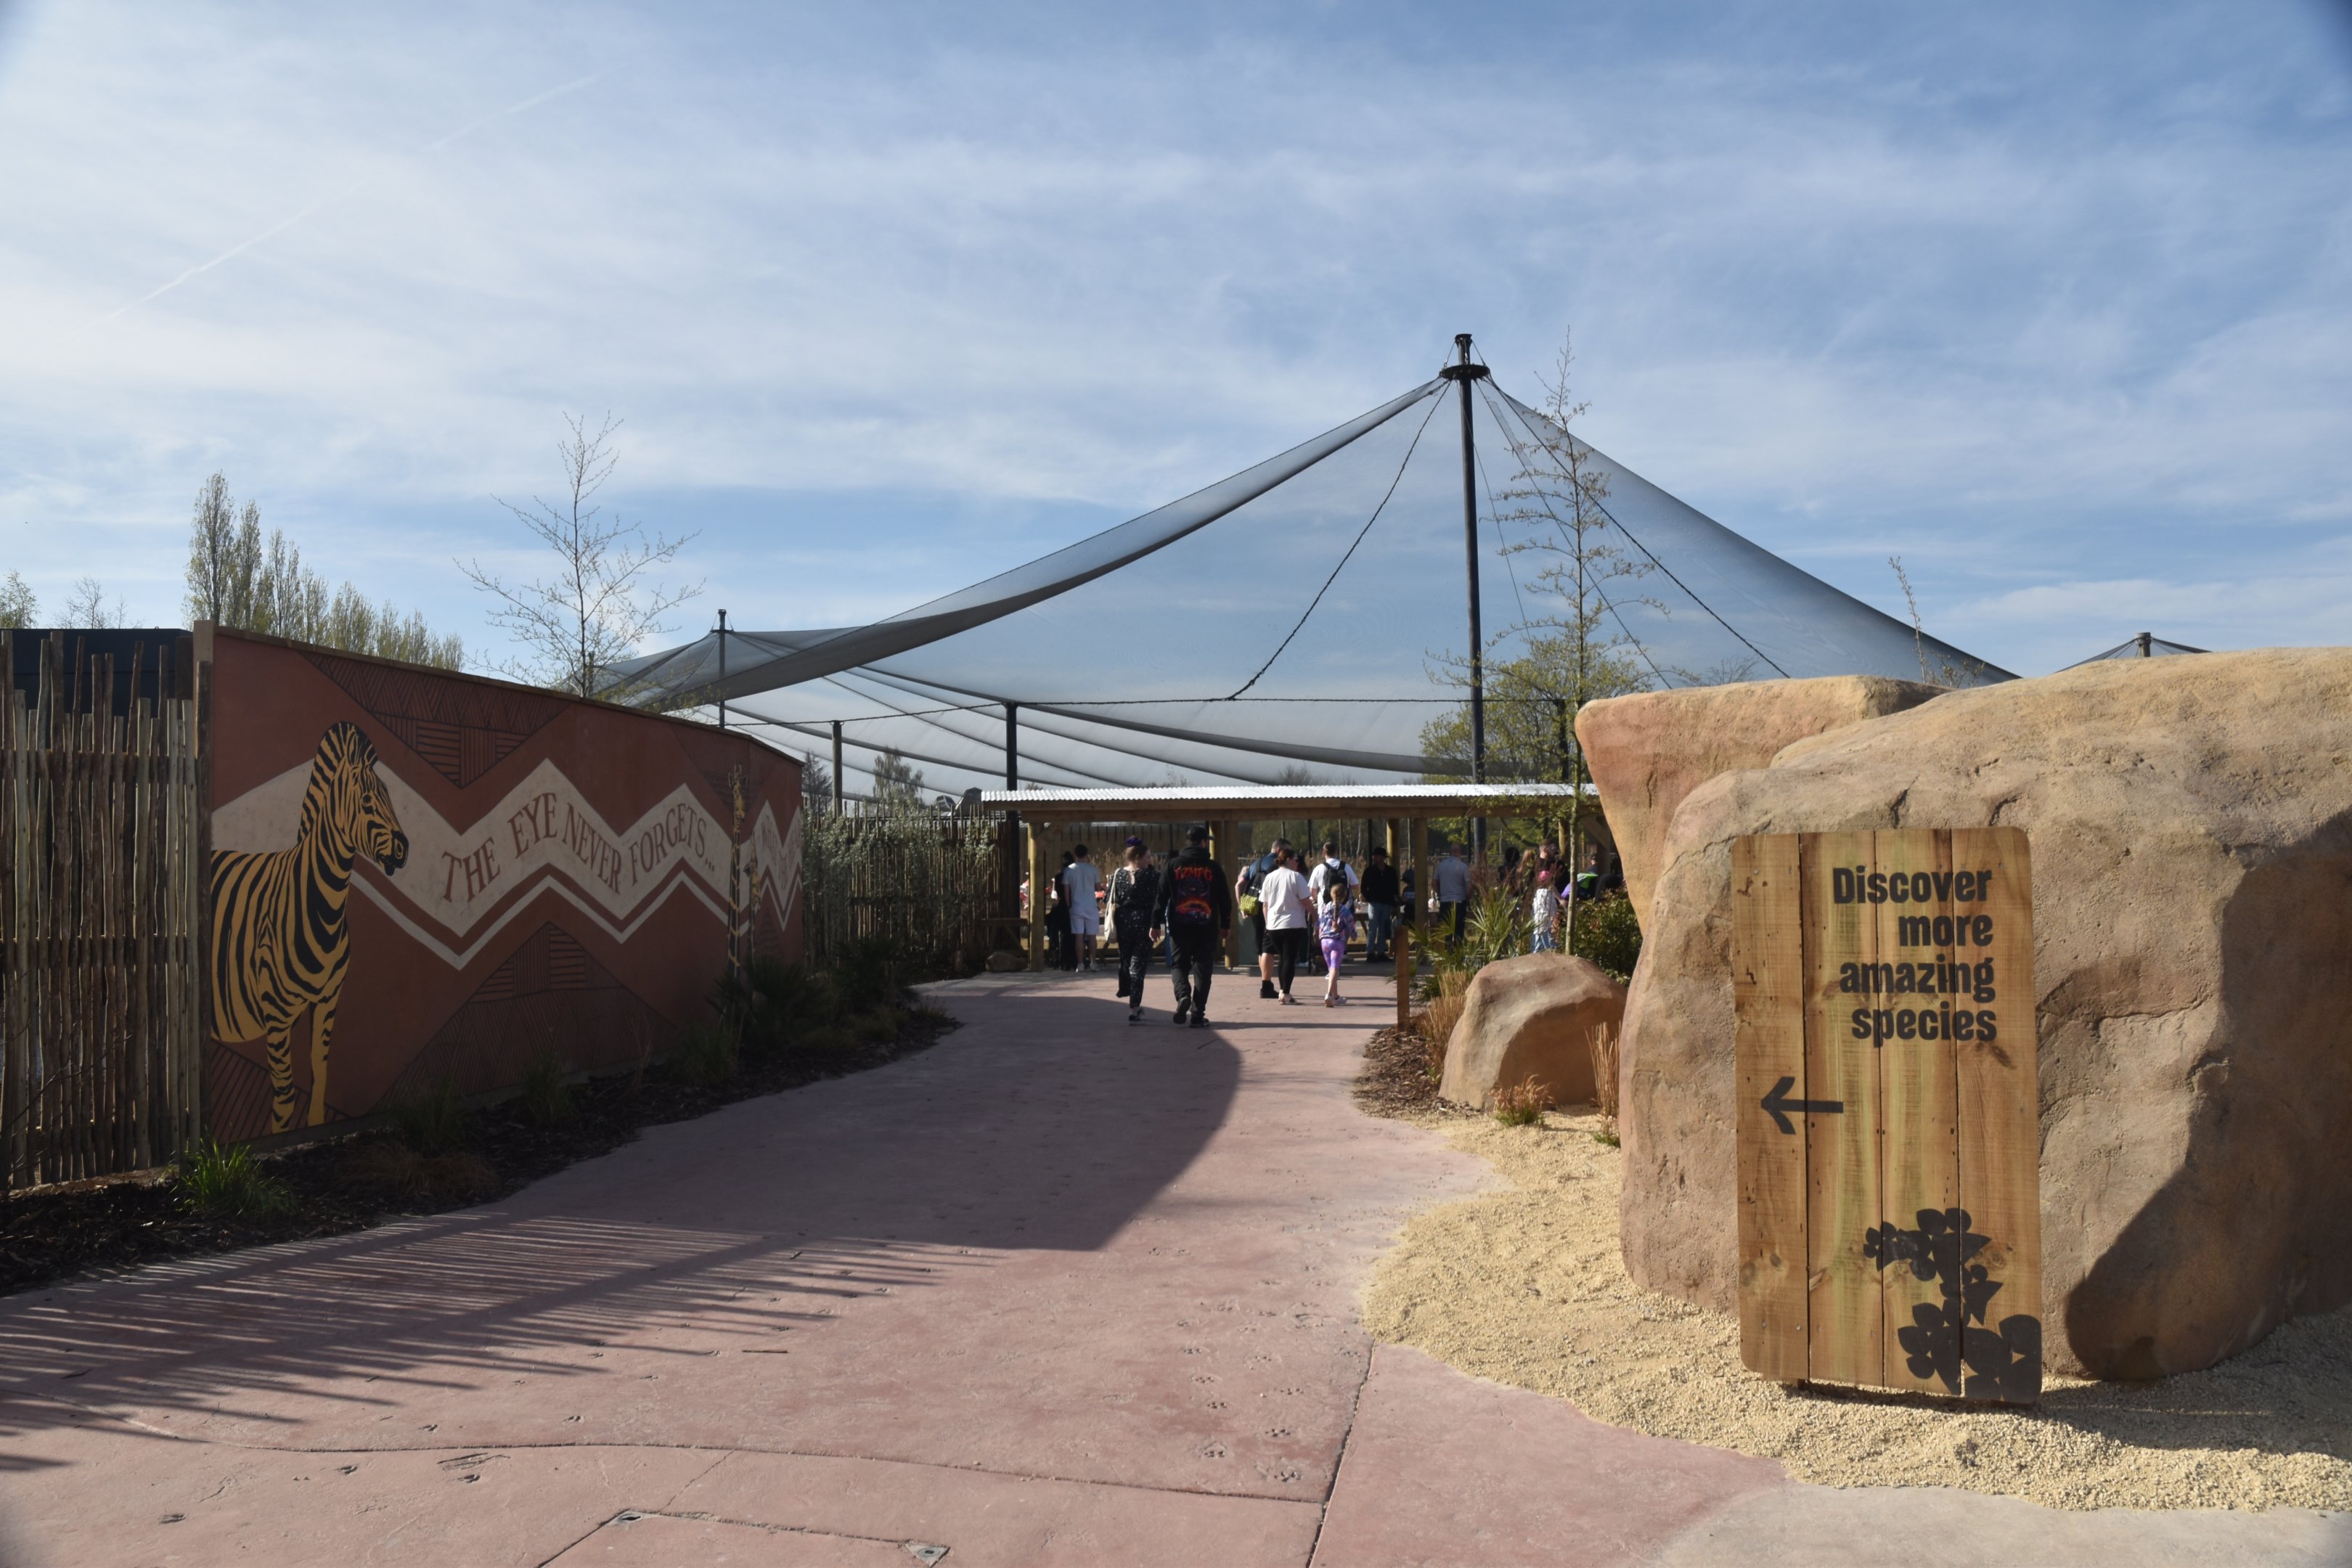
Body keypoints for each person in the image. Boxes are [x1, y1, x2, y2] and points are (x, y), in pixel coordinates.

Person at [1151, 824, 1233, 1029]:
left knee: (1179, 965)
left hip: (1179, 927)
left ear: (1188, 842)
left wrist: (1155, 924)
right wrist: (1226, 924)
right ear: (1204, 842)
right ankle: (1197, 1014)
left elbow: (1161, 897)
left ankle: (1182, 995)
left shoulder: (1172, 865)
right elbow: (1225, 899)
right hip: (1206, 926)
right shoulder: (1213, 868)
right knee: (1203, 968)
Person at [1108, 840, 1161, 1021]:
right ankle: (1134, 1007)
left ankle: (1127, 991)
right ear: (1138, 857)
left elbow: (1108, 898)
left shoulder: (1116, 875)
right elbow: (1158, 901)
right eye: (1147, 857)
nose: (1150, 860)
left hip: (1123, 922)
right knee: (1138, 965)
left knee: (1126, 959)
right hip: (1144, 923)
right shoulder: (1153, 876)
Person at [1237, 836, 1291, 1000]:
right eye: (1287, 851)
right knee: (1269, 948)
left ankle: (1265, 982)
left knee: (1261, 946)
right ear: (1279, 851)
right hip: (1269, 908)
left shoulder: (1256, 863)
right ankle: (1266, 985)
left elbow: (1239, 884)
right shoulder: (1277, 865)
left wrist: (1241, 906)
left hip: (1253, 907)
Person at [1258, 848, 1312, 1004]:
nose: (1297, 863)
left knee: (1283, 957)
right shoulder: (1296, 877)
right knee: (1289, 957)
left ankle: (1282, 990)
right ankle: (1286, 993)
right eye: (1296, 860)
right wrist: (1315, 916)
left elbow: (1265, 905)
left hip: (1273, 925)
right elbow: (1306, 901)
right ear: (1288, 859)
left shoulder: (1270, 877)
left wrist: (1268, 924)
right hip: (1293, 923)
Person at [1317, 874, 1356, 1007]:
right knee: (1335, 968)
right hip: (1337, 941)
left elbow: (1319, 923)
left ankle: (1336, 996)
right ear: (1344, 897)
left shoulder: (1325, 908)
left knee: (1332, 969)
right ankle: (1329, 995)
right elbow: (1351, 925)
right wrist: (1354, 935)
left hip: (1324, 942)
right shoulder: (1345, 911)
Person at [1064, 844, 1103, 971]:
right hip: (1091, 905)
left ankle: (1080, 964)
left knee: (1079, 936)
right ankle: (1093, 963)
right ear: (1086, 855)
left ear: (1075, 854)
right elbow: (1098, 888)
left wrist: (1069, 905)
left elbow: (1066, 891)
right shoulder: (1092, 869)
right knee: (1092, 936)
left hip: (1076, 906)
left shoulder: (1069, 870)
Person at [1360, 846, 1400, 963]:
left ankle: (1382, 952)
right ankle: (1370, 953)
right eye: (1374, 855)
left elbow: (1394, 888)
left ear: (1383, 857)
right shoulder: (1369, 871)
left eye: (1377, 856)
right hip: (1374, 903)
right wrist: (1368, 897)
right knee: (1372, 928)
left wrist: (1394, 902)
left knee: (1383, 929)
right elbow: (1363, 887)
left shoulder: (1390, 871)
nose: (1375, 857)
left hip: (1386, 903)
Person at [1432, 842, 1474, 941]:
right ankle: (1458, 952)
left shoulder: (1441, 866)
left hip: (1445, 902)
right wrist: (1467, 897)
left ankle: (1448, 951)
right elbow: (1470, 886)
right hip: (1459, 901)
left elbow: (1434, 883)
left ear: (1450, 852)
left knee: (1447, 930)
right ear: (1460, 852)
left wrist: (1440, 894)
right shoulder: (1463, 867)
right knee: (1459, 929)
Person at [1530, 868, 1561, 954]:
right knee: (1550, 947)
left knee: (1537, 947)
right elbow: (1551, 909)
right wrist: (1555, 920)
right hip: (1547, 924)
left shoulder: (1537, 893)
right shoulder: (1548, 893)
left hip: (1537, 923)